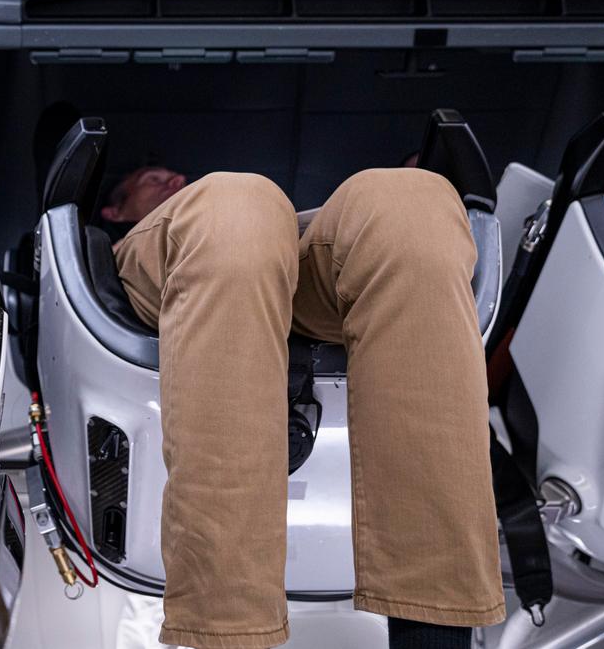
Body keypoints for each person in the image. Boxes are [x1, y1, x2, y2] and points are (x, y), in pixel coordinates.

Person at [101, 164, 506, 649]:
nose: (172, 181)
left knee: (413, 202)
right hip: (184, 257)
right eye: (151, 180)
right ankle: (227, 635)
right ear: (114, 211)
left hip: (296, 251)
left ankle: (433, 638)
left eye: (172, 176)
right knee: (235, 211)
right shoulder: (158, 220)